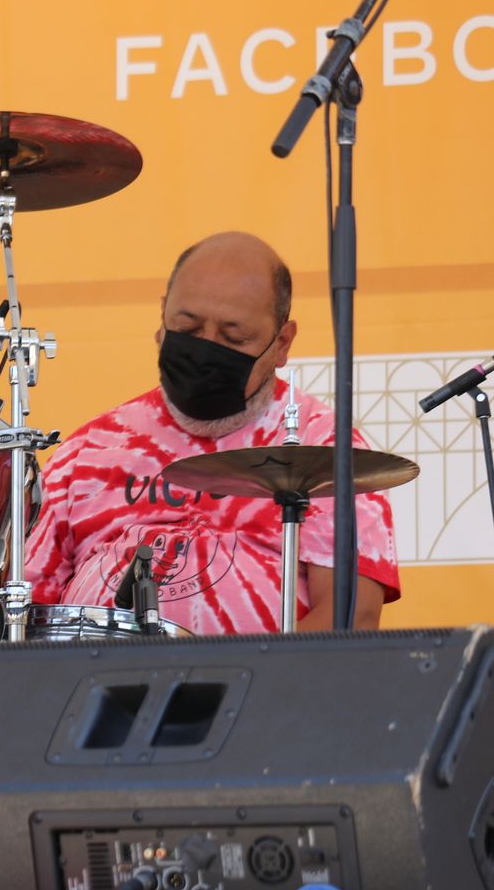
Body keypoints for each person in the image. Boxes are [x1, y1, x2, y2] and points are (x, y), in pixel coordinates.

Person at [23, 230, 400, 635]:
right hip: (97, 672)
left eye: (233, 337)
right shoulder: (86, 452)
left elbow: (351, 618)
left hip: (257, 676)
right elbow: (22, 616)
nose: (205, 349)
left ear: (282, 342)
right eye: (188, 328)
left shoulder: (323, 444)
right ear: (163, 315)